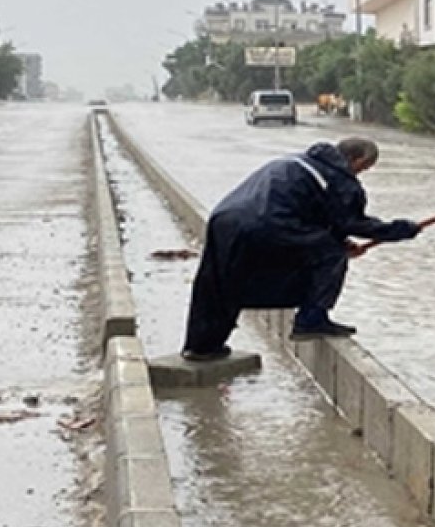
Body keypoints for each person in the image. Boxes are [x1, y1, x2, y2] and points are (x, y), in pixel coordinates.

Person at [180, 138, 421, 361]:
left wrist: (340, 241)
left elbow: (313, 214)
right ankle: (311, 320)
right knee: (331, 256)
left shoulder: (297, 162)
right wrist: (400, 230)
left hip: (226, 219)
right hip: (270, 224)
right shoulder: (340, 179)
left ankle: (202, 347)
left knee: (221, 283)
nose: (362, 173)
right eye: (365, 167)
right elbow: (352, 223)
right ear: (357, 160)